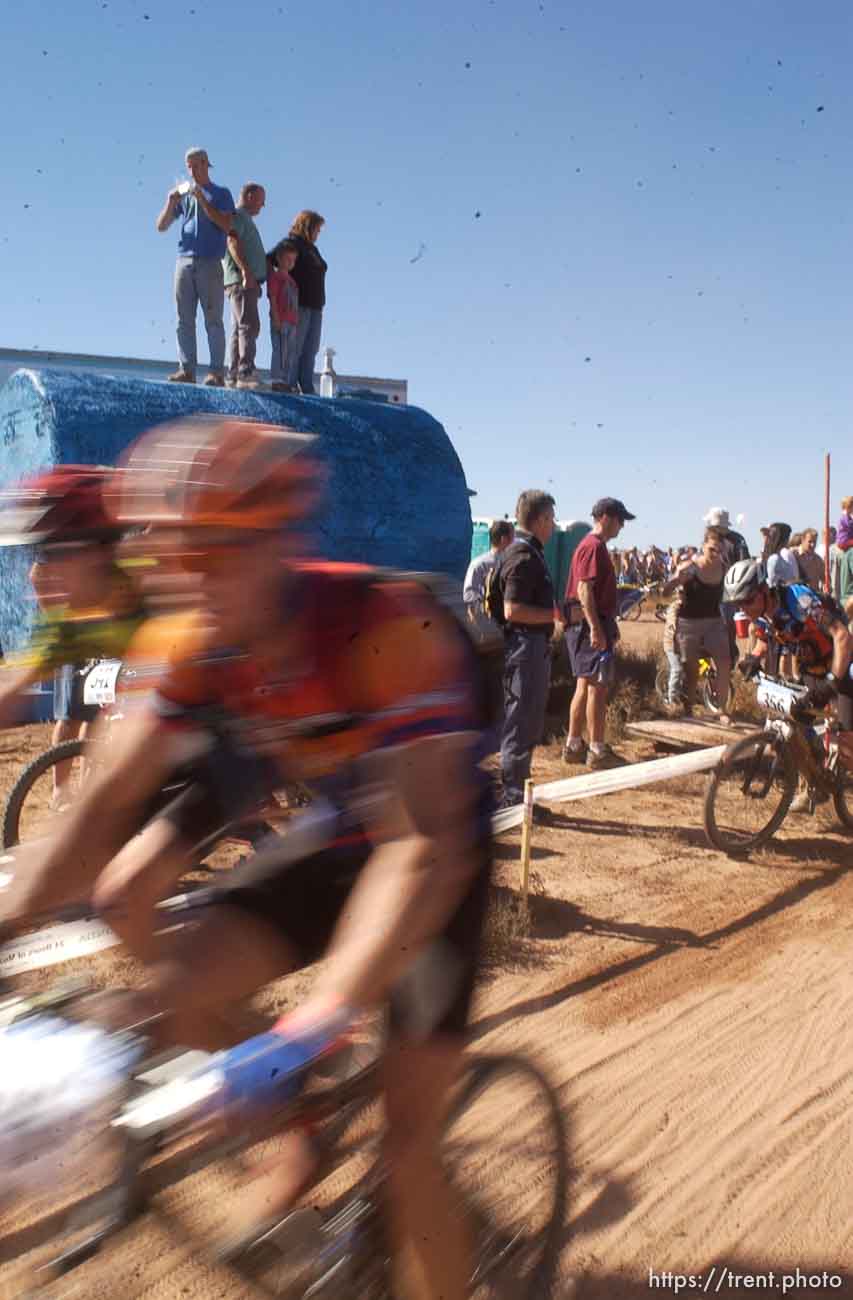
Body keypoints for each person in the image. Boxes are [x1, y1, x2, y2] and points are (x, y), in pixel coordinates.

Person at [0, 419, 492, 1300]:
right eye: (167, 563)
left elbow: (423, 848)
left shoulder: (383, 621)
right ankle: (296, 1121)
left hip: (433, 850)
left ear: (277, 545)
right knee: (168, 990)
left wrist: (318, 1021)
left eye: (211, 557)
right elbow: (92, 822)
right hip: (341, 835)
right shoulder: (185, 640)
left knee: (411, 1149)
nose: (188, 584)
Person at [0, 468, 146, 743]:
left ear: (98, 551)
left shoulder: (168, 593)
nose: (44, 570)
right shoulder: (74, 620)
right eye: (40, 554)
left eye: (55, 552)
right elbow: (14, 688)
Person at [726, 557, 853, 811]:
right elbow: (765, 639)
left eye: (748, 600)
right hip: (811, 667)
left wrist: (832, 683)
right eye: (739, 603)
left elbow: (842, 636)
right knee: (795, 728)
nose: (745, 608)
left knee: (848, 743)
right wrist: (754, 657)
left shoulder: (800, 601)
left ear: (764, 590)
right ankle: (813, 783)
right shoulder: (761, 613)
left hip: (842, 664)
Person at [494, 491, 556, 813]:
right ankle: (513, 797)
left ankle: (519, 792)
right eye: (551, 518)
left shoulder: (528, 552)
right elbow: (512, 609)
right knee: (520, 722)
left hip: (529, 647)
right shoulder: (523, 556)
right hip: (523, 646)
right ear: (541, 519)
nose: (554, 525)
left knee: (527, 720)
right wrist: (556, 616)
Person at [563, 497, 634, 769]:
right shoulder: (593, 547)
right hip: (587, 625)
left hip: (584, 624)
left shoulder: (593, 546)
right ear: (604, 516)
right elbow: (584, 589)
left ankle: (574, 745)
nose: (622, 525)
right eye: (620, 519)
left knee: (584, 684)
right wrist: (595, 627)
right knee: (597, 686)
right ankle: (596, 749)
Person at [156, 147, 235, 387]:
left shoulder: (221, 193)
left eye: (196, 165)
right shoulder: (186, 196)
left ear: (205, 164)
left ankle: (216, 372)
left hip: (210, 261)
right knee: (183, 318)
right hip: (184, 259)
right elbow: (161, 226)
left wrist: (204, 201)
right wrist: (170, 203)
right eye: (188, 166)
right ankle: (186, 369)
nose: (191, 170)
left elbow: (226, 224)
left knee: (213, 319)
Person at [662, 527, 731, 719]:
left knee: (724, 662)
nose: (716, 554)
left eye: (719, 550)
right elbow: (665, 593)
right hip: (688, 624)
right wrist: (676, 581)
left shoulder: (724, 567)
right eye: (712, 549)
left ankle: (722, 709)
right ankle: (688, 707)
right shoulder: (690, 567)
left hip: (713, 622)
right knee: (691, 671)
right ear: (703, 547)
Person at [223, 183, 267, 390]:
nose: (263, 205)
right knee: (247, 325)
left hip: (244, 281)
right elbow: (232, 242)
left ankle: (233, 372)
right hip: (242, 282)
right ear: (249, 196)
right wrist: (246, 272)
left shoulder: (244, 218)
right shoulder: (239, 216)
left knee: (240, 326)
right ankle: (245, 370)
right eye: (261, 199)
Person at [286, 210, 328, 394]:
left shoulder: (313, 249)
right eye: (317, 230)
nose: (318, 234)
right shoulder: (292, 244)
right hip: (299, 303)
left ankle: (306, 383)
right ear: (307, 227)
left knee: (311, 347)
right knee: (295, 345)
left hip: (315, 305)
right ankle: (290, 382)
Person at [462, 519, 514, 636]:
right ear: (504, 540)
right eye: (512, 539)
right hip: (488, 630)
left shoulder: (512, 564)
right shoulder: (481, 565)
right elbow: (470, 596)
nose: (514, 544)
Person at [267, 239, 300, 393]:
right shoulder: (275, 277)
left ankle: (285, 380)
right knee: (279, 349)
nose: (290, 263)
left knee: (290, 352)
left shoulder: (292, 281)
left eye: (293, 260)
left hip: (292, 322)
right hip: (280, 320)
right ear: (279, 258)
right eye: (288, 259)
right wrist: (276, 318)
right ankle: (276, 379)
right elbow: (272, 297)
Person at [763, 522, 799, 586]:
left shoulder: (780, 558)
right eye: (787, 537)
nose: (788, 540)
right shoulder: (774, 559)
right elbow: (773, 585)